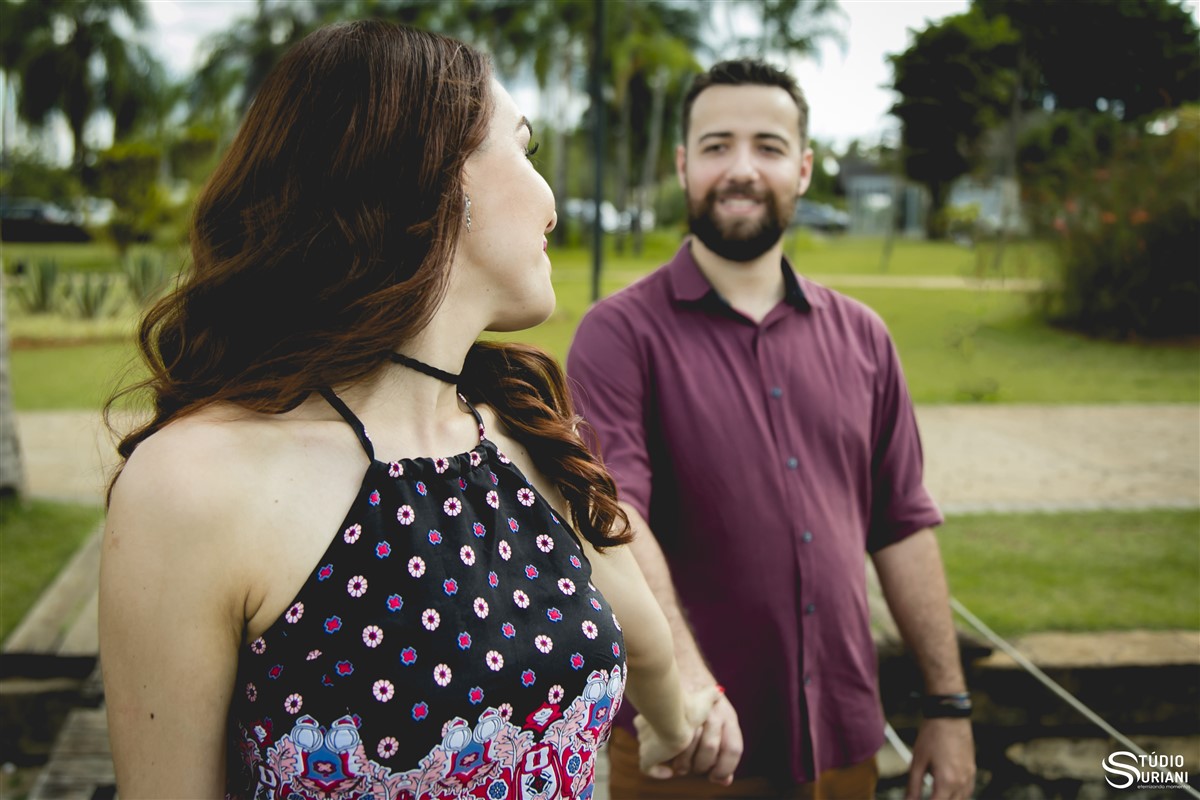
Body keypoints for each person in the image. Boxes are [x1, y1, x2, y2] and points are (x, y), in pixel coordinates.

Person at [99, 21, 716, 798]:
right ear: (438, 176)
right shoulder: (195, 485)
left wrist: (678, 721)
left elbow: (643, 635)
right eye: (524, 148)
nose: (552, 206)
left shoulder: (516, 433)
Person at [566, 59, 977, 800]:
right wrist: (690, 685)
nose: (742, 169)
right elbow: (614, 517)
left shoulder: (865, 337)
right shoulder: (618, 335)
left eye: (768, 146)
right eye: (717, 146)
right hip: (691, 749)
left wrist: (948, 705)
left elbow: (903, 525)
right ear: (683, 165)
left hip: (843, 740)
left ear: (805, 169)